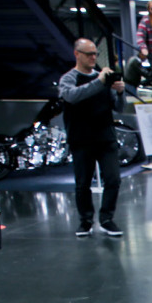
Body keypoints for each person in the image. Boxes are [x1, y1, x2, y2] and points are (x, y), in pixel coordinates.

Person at [60, 38, 126, 236]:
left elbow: (119, 107)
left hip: (105, 137)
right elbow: (73, 96)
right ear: (77, 54)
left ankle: (107, 218)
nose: (93, 57)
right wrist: (99, 82)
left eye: (95, 54)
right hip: (81, 139)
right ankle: (86, 220)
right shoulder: (69, 79)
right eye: (89, 54)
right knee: (83, 183)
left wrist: (121, 92)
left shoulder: (103, 79)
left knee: (113, 179)